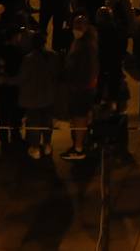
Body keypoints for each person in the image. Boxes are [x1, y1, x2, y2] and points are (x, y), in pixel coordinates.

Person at [61, 13, 99, 161]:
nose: (76, 29)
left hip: (81, 88)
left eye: (79, 26)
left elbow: (80, 69)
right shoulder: (86, 42)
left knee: (79, 118)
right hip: (84, 87)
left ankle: (78, 148)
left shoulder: (84, 46)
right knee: (81, 117)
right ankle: (80, 144)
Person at [19, 29, 59, 159]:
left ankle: (35, 148)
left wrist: (6, 80)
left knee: (34, 124)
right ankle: (47, 144)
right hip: (49, 96)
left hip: (33, 98)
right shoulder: (53, 56)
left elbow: (22, 78)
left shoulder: (28, 59)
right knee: (47, 122)